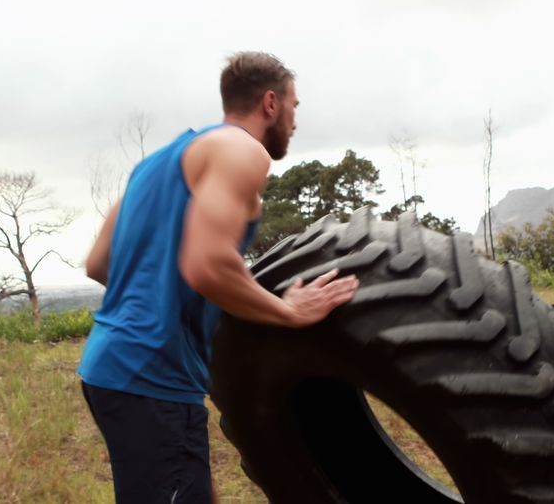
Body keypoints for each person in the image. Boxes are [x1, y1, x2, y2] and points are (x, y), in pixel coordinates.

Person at [78, 51, 360, 503]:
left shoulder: (156, 164)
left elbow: (98, 263)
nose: (294, 121)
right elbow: (207, 264)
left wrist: (158, 301)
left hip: (109, 365)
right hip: (151, 375)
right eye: (294, 107)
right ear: (270, 103)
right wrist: (288, 311)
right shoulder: (241, 150)